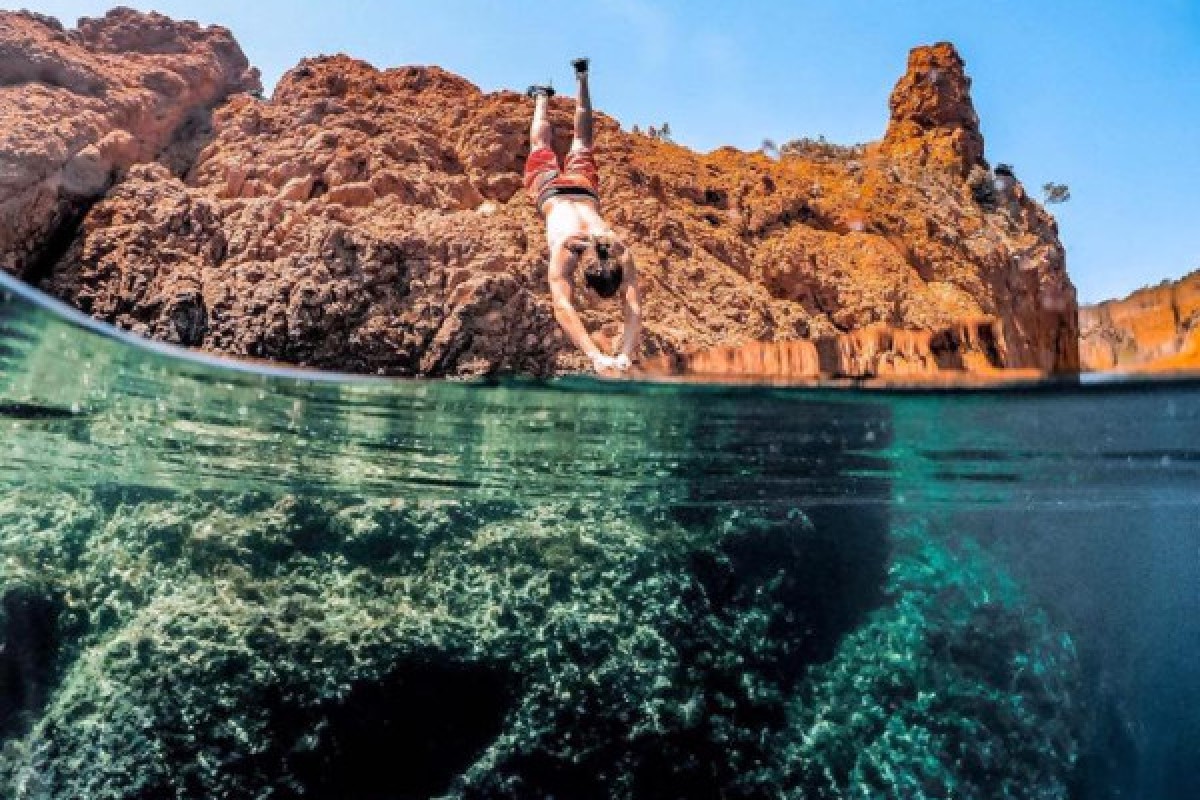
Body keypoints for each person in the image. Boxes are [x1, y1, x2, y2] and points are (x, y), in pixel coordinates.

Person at [524, 58, 642, 373]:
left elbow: (634, 308)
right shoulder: (566, 250)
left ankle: (582, 78)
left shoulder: (617, 246)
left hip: (583, 189)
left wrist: (624, 353)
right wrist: (596, 356)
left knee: (582, 142)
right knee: (540, 145)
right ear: (586, 283)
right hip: (550, 192)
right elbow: (563, 307)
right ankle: (541, 97)